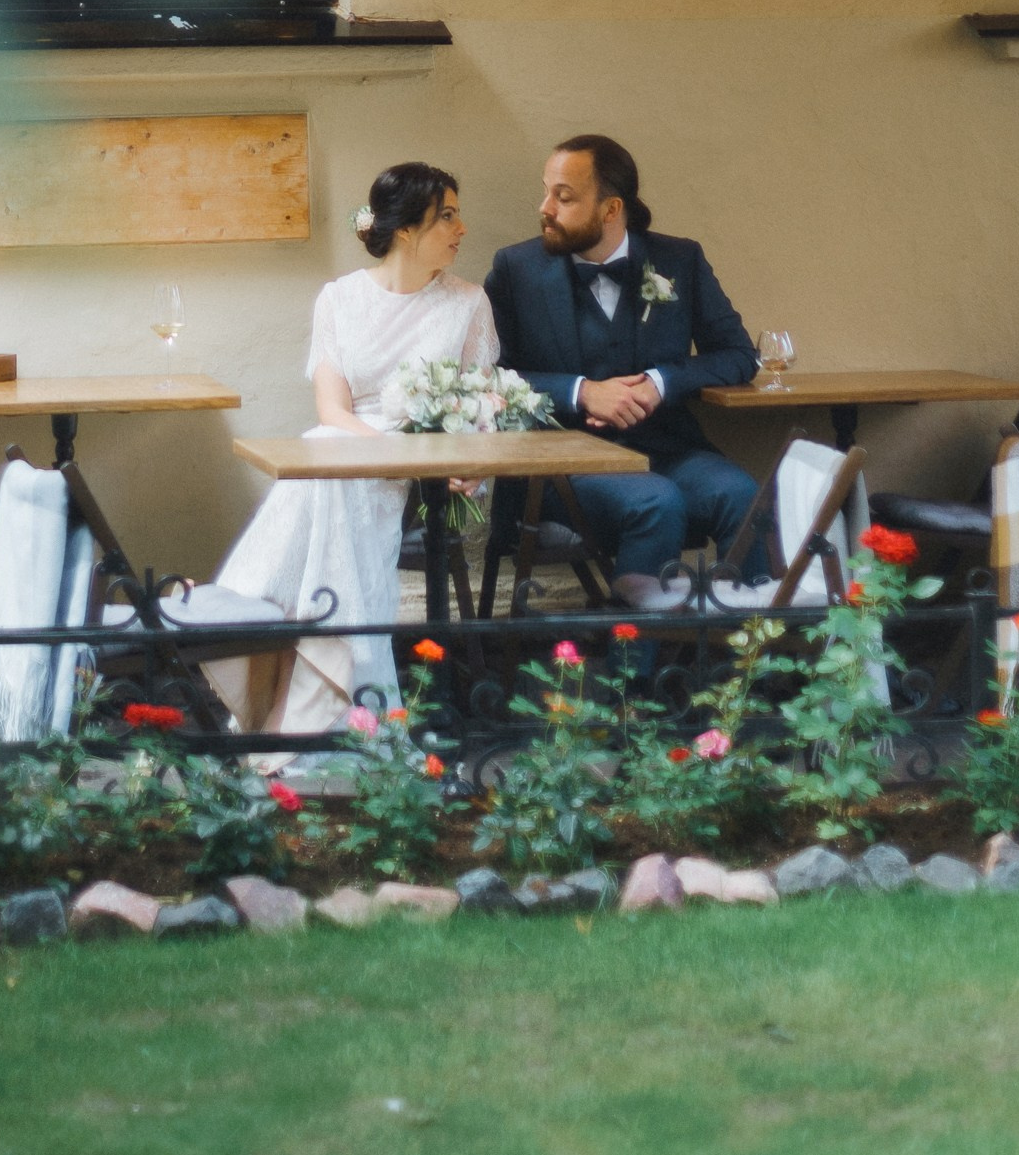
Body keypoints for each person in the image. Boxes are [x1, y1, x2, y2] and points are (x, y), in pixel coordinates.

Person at [214, 161, 497, 732]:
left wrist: (459, 461)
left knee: (326, 468)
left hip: (426, 472)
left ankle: (249, 620)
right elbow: (332, 410)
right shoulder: (339, 299)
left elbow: (481, 406)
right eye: (447, 216)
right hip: (355, 450)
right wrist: (388, 453)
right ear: (405, 229)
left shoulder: (469, 303)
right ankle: (345, 691)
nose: (461, 228)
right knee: (328, 456)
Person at [485, 132, 761, 610]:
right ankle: (630, 676)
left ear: (611, 210)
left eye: (563, 196)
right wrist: (581, 392)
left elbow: (738, 354)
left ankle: (755, 667)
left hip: (668, 449)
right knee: (656, 502)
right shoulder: (516, 269)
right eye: (546, 190)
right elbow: (490, 376)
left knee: (743, 495)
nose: (544, 206)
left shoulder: (679, 260)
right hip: (561, 466)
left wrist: (661, 383)